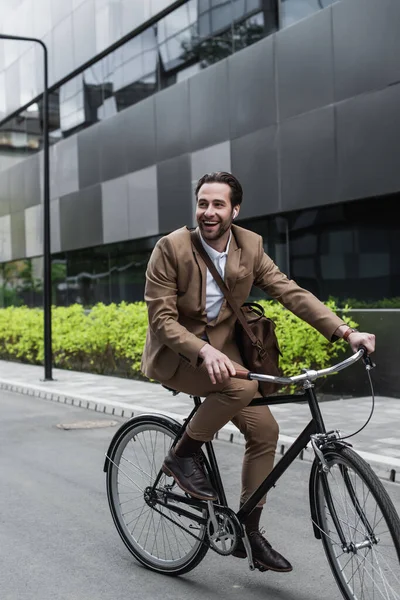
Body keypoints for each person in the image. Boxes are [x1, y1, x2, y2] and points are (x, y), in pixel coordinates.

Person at [141, 171, 375, 573]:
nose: (208, 212)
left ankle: (250, 532)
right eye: (203, 203)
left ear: (235, 209)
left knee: (266, 431)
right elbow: (162, 320)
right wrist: (202, 351)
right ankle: (182, 456)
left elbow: (288, 291)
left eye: (218, 204)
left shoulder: (250, 245)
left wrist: (344, 330)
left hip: (227, 355)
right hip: (178, 354)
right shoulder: (171, 248)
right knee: (238, 388)